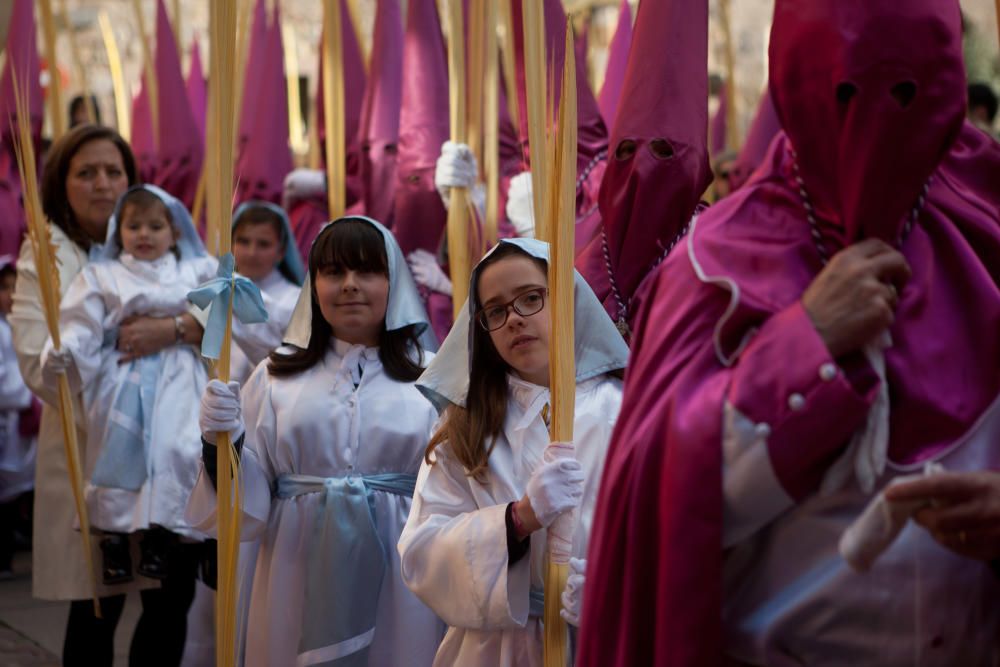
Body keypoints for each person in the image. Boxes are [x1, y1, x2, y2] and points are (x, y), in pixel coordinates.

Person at [578, 1, 1000, 665]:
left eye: (908, 92)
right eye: (843, 93)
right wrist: (799, 350)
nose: (873, 126)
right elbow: (651, 508)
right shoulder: (711, 264)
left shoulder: (990, 224)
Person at [188, 216, 444, 667]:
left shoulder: (434, 377)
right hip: (295, 562)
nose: (349, 285)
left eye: (367, 271)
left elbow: (456, 487)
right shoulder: (273, 376)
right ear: (313, 285)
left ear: (395, 282)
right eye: (333, 272)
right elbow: (243, 499)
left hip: (402, 568)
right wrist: (218, 442)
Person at [10, 124, 205, 666]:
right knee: (98, 611)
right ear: (61, 182)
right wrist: (115, 363)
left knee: (170, 603)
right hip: (93, 450)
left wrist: (175, 330)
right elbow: (35, 359)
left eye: (113, 171)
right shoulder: (47, 257)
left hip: (170, 454)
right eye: (86, 172)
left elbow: (220, 306)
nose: (102, 184)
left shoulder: (165, 238)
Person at [398, 238, 628, 666]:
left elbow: (666, 531)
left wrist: (616, 588)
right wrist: (517, 520)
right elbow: (421, 552)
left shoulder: (623, 409)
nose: (514, 321)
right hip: (496, 648)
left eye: (530, 299)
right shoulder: (468, 423)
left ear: (566, 297)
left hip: (604, 637)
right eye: (496, 311)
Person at [40, 184, 213, 593]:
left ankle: (164, 531)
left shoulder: (195, 270)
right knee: (114, 449)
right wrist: (64, 351)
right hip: (121, 374)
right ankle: (113, 538)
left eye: (155, 226)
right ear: (120, 231)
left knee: (179, 447)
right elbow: (82, 323)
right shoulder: (102, 274)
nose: (145, 235)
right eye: (134, 225)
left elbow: (226, 311)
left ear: (174, 231)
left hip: (177, 376)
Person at [229, 200, 305, 384]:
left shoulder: (296, 301)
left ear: (281, 251)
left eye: (263, 244)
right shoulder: (214, 288)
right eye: (243, 241)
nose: (251, 253)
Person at [0, 257, 38, 579]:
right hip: (8, 416)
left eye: (17, 288)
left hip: (24, 422)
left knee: (20, 490)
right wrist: (26, 393)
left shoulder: (22, 325)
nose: (11, 295)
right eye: (4, 288)